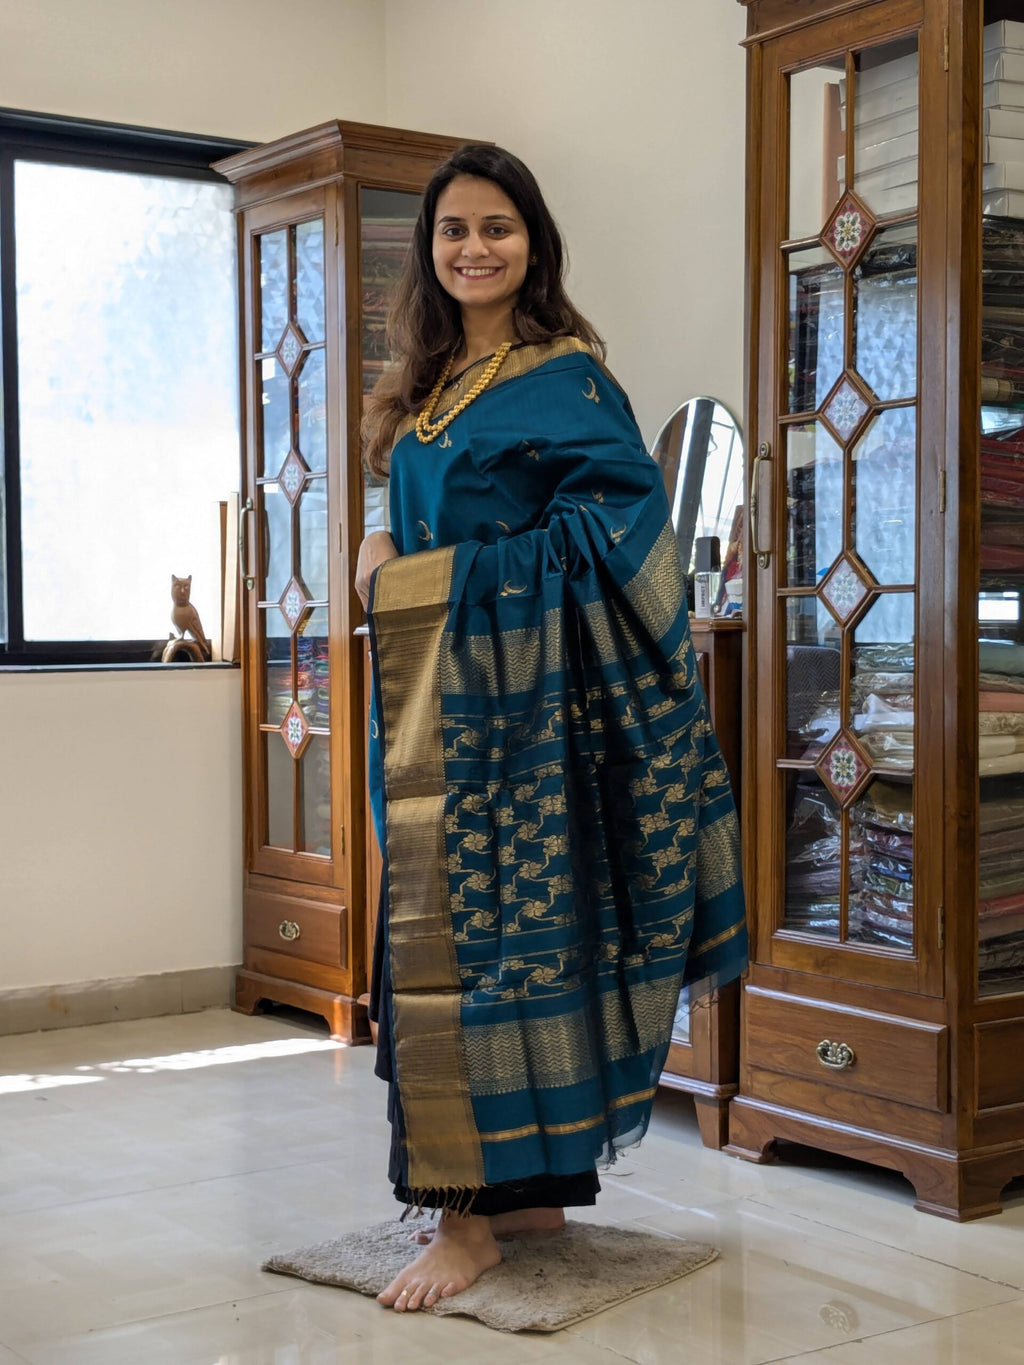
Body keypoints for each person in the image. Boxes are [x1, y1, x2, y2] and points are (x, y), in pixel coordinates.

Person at [355, 144, 747, 1315]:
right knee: (452, 943)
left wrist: (424, 578)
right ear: (429, 252)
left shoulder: (567, 382)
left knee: (476, 952)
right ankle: (527, 1197)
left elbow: (618, 538)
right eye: (453, 230)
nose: (473, 248)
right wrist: (378, 543)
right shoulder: (427, 384)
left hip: (517, 727)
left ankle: (462, 1223)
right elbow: (414, 507)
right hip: (429, 706)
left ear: (535, 245)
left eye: (497, 227)